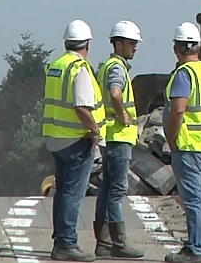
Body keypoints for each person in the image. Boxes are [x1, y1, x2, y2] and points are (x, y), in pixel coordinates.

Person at [42, 19, 106, 262]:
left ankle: (61, 238)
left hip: (56, 137)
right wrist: (95, 132)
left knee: (62, 192)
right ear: (86, 45)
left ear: (66, 42)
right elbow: (81, 107)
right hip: (76, 140)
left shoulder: (56, 66)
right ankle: (66, 243)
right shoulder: (80, 68)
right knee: (72, 193)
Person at [163, 22, 201, 263]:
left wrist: (171, 139)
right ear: (198, 46)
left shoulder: (184, 74)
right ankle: (200, 245)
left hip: (188, 145)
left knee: (194, 199)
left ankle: (196, 250)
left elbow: (178, 110)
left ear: (176, 48)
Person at [92, 20, 144, 259]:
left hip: (110, 137)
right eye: (132, 43)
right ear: (118, 43)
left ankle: (103, 243)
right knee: (117, 190)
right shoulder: (116, 68)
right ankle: (119, 243)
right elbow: (115, 92)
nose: (135, 47)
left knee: (107, 189)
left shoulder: (110, 65)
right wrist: (123, 115)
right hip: (118, 137)